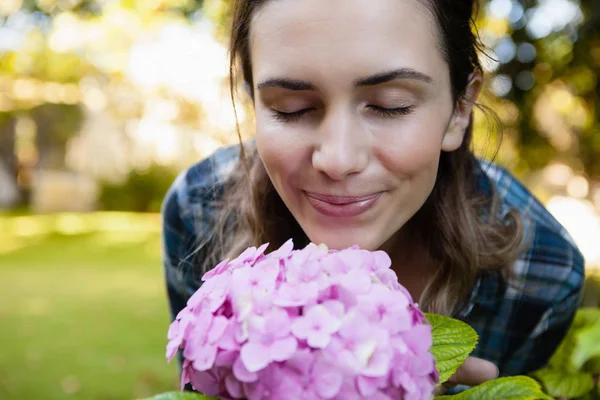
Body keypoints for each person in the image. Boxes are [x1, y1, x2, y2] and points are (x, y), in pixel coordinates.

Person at [161, 0, 585, 394]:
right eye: (290, 107)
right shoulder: (198, 212)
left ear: (459, 109)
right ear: (254, 101)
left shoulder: (541, 274)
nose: (338, 159)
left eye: (390, 105)